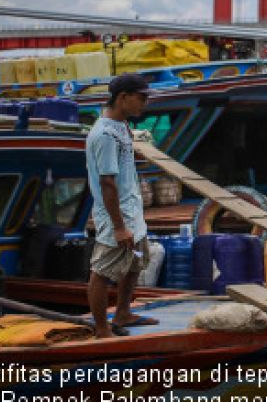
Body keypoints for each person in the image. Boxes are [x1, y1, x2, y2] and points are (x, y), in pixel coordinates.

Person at [85, 73, 158, 337]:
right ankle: (102, 329)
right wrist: (118, 227)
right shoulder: (105, 134)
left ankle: (124, 312)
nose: (144, 104)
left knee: (136, 262)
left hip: (132, 211)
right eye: (141, 98)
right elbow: (107, 183)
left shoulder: (123, 127)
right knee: (102, 272)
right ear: (123, 97)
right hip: (116, 217)